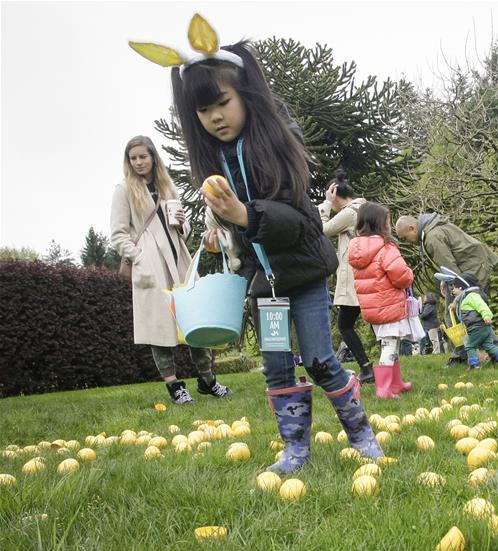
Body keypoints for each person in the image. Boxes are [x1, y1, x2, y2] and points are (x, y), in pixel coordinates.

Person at [137, 17, 383, 474]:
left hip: (304, 274)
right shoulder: (214, 159)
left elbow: (297, 220)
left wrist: (245, 216)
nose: (214, 116)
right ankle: (296, 451)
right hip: (265, 286)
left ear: (244, 95)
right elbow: (238, 226)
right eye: (202, 111)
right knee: (275, 366)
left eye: (222, 103)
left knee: (319, 359)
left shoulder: (277, 145)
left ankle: (361, 433)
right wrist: (221, 227)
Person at [110, 135, 230, 404]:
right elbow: (118, 235)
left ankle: (207, 380)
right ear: (128, 161)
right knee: (159, 328)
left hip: (179, 263)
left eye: (143, 156)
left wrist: (182, 223)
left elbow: (180, 233)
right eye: (134, 158)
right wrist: (139, 257)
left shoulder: (166, 187)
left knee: (195, 322)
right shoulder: (123, 190)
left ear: (153, 157)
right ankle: (174, 386)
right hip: (150, 266)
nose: (139, 162)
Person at [396, 212, 498, 365]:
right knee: (467, 313)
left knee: (456, 314)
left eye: (405, 238)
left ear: (412, 228)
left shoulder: (432, 238)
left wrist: (457, 289)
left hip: (473, 270)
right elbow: (449, 263)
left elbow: (450, 268)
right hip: (471, 267)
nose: (408, 242)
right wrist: (444, 281)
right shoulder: (432, 230)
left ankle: (472, 355)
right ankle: (492, 353)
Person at [348, 202, 422, 399]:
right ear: (380, 223)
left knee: (391, 343)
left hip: (373, 306)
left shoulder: (357, 249)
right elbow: (401, 277)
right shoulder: (386, 247)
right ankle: (384, 388)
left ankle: (396, 382)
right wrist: (409, 273)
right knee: (389, 345)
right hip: (388, 305)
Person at [318, 168, 374, 382]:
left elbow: (322, 229)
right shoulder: (365, 207)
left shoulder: (350, 212)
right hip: (368, 274)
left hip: (354, 278)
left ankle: (367, 368)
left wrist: (326, 205)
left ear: (334, 193)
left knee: (344, 325)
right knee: (375, 322)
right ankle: (383, 365)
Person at [450, 273, 498, 369]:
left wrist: (487, 316)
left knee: (469, 346)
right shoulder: (465, 297)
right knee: (489, 346)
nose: (453, 290)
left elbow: (482, 306)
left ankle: (474, 366)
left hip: (477, 327)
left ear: (461, 287)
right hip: (482, 328)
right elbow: (460, 304)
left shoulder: (471, 296)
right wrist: (453, 305)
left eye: (454, 287)